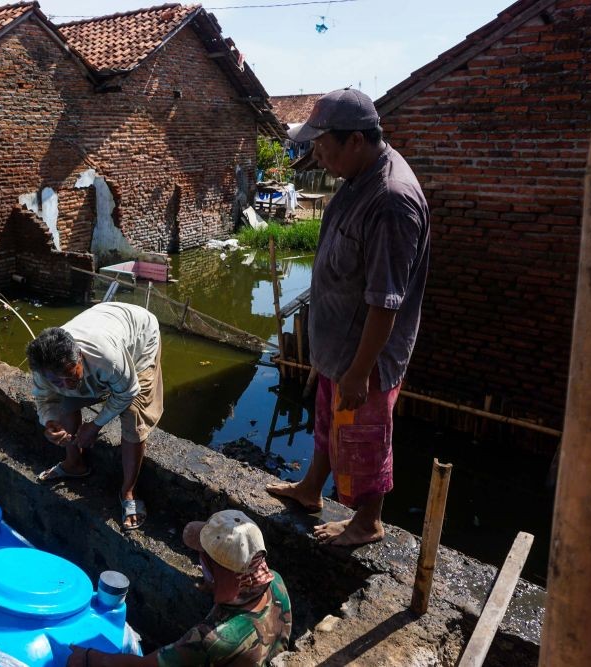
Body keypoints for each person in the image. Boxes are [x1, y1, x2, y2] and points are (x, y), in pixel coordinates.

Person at [265, 88, 431, 546]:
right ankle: (310, 490)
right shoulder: (357, 177)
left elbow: (385, 302)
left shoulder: (391, 200)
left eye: (323, 143)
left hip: (366, 360)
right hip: (340, 347)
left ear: (355, 140)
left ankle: (366, 522)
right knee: (327, 424)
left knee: (363, 442)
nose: (315, 152)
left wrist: (359, 372)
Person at [66, 510, 292, 666]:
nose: (199, 562)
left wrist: (87, 658)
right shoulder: (277, 582)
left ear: (216, 571)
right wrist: (214, 583)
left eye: (203, 559)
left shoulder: (211, 639)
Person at [26, 302, 162, 531]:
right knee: (66, 403)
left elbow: (128, 391)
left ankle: (128, 491)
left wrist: (95, 425)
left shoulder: (107, 357)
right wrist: (48, 421)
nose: (65, 384)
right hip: (104, 323)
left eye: (70, 376)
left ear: (79, 357)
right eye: (56, 381)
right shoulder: (44, 371)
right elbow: (44, 399)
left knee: (134, 416)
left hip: (140, 335)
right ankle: (74, 464)